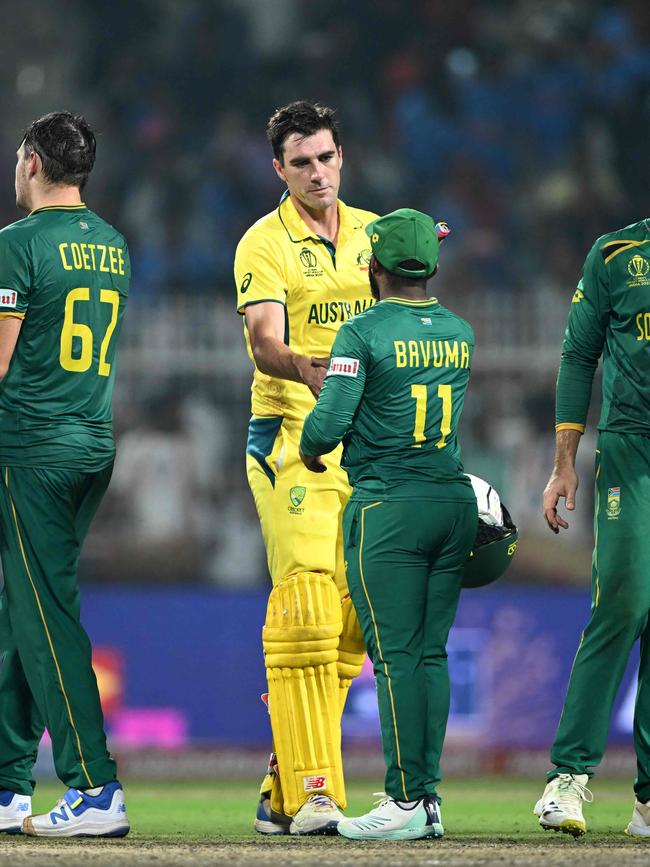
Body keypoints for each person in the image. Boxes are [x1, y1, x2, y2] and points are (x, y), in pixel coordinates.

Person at [300, 208, 477, 841]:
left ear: (373, 266)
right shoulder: (460, 332)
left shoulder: (362, 332)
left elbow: (326, 425)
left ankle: (403, 800)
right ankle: (426, 798)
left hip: (388, 508)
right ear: (431, 265)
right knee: (431, 656)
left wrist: (312, 447)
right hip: (452, 501)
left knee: (396, 658)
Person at [233, 101, 377, 835]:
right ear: (278, 170)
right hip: (290, 439)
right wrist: (305, 367)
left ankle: (281, 781)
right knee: (307, 605)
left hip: (366, 444)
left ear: (340, 156)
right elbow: (263, 341)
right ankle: (317, 792)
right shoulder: (264, 242)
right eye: (301, 163)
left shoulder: (374, 235)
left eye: (325, 158)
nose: (316, 173)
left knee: (357, 614)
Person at [0, 112, 130, 837]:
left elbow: (1, 360)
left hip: (33, 447)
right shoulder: (112, 245)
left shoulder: (15, 245)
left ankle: (94, 785)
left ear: (30, 163)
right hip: (92, 444)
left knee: (44, 611)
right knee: (25, 604)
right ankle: (9, 782)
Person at [535, 220, 650, 838]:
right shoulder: (616, 253)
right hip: (632, 451)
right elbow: (580, 353)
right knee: (624, 602)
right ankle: (568, 779)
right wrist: (563, 464)